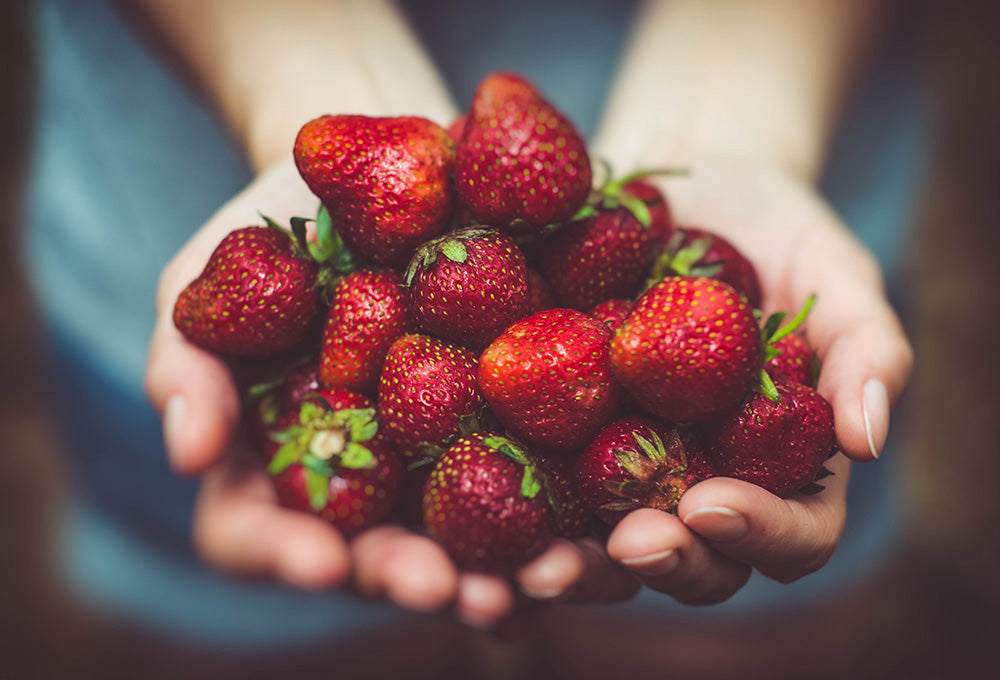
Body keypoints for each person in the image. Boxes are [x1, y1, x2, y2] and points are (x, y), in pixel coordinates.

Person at [27, 0, 914, 643]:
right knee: (279, 646)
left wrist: (734, 128)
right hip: (165, 181)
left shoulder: (611, 317)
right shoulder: (428, 305)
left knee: (713, 645)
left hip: (795, 102)